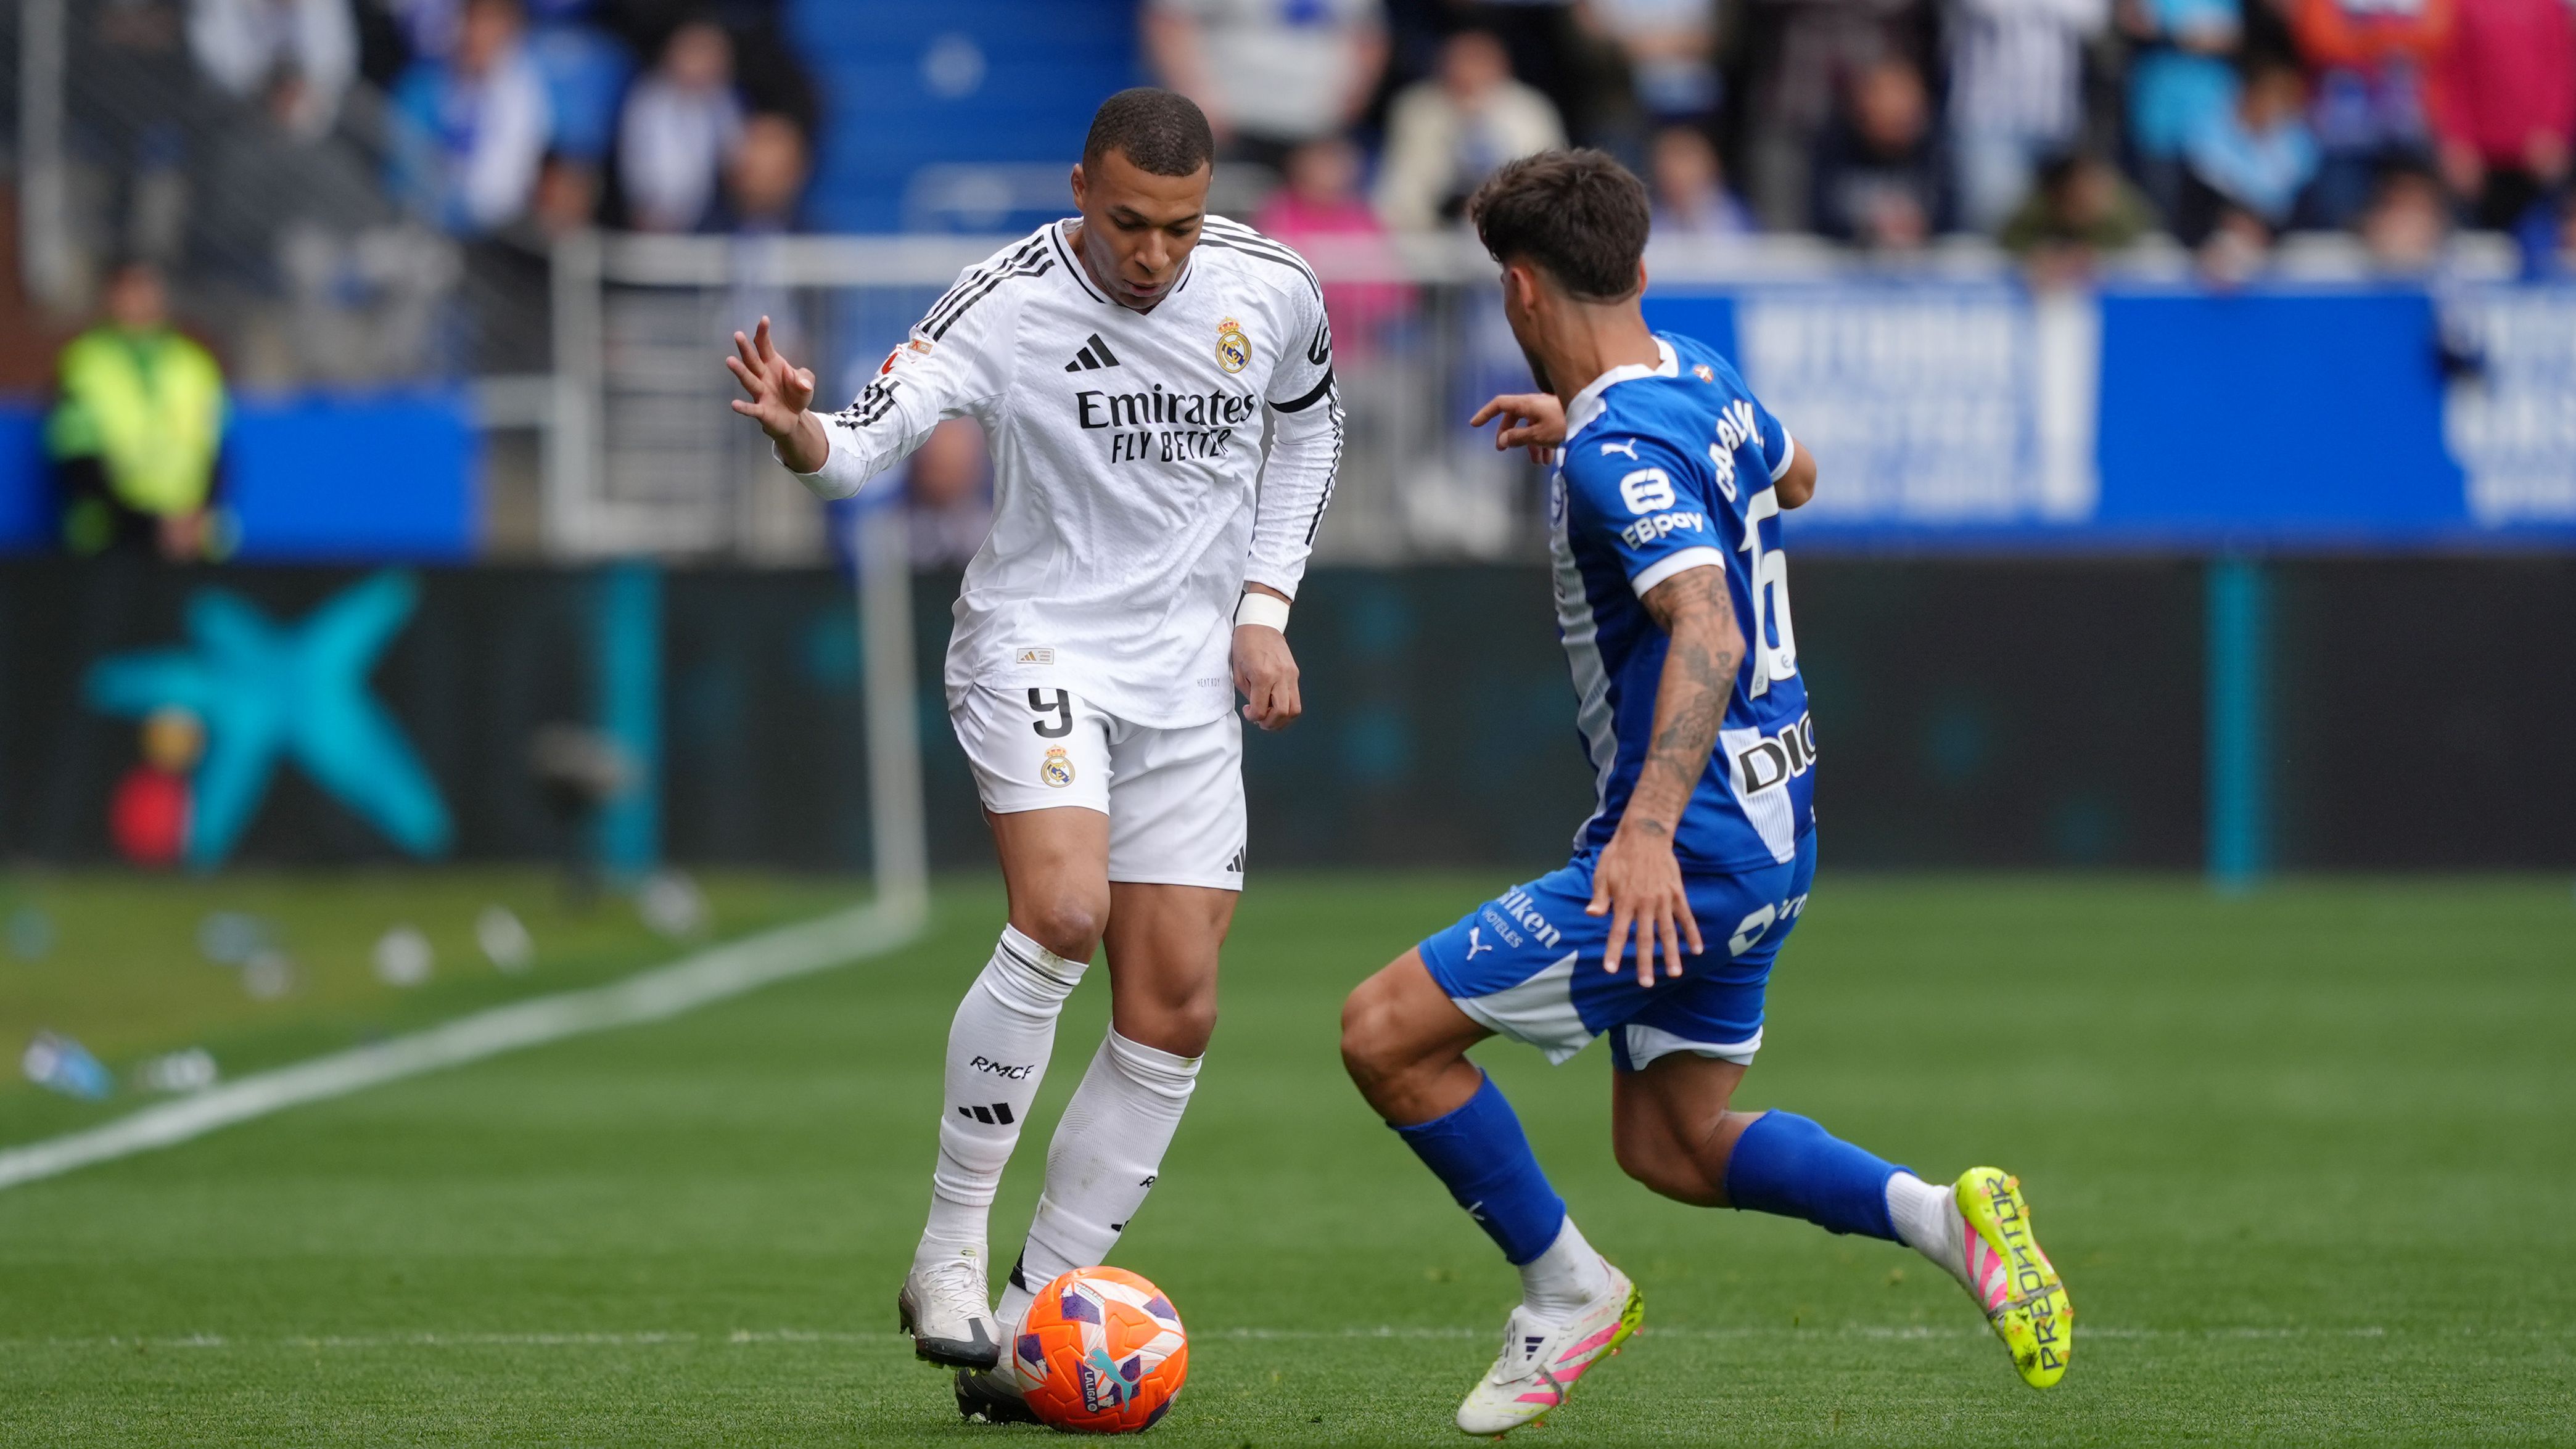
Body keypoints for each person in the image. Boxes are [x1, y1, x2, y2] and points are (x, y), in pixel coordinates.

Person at [1336, 149, 2073, 1437]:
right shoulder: (1699, 381)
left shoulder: (1615, 450)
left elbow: (1709, 629)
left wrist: (1644, 833)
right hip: (1781, 825)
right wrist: (1607, 436)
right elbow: (1795, 477)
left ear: (1518, 293)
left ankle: (1567, 1289)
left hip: (1697, 841)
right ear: (1638, 266)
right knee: (1670, 1142)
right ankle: (1944, 1219)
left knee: (1385, 1030)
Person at [719, 88, 1343, 1424]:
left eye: (1177, 226)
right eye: (1127, 221)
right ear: (1079, 188)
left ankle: (1026, 1329)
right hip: (1038, 642)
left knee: (1175, 1005)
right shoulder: (1000, 297)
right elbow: (874, 439)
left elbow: (1308, 429)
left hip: (1188, 681)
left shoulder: (1274, 286)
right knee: (1064, 911)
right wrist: (803, 436)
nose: (1154, 254)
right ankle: (945, 1250)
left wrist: (1265, 611)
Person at [47, 260, 231, 560]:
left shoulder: (195, 364)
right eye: (127, 290)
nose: (137, 300)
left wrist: (192, 519)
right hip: (114, 534)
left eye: (144, 289)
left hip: (189, 538)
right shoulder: (85, 363)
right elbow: (77, 461)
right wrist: (147, 524)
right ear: (109, 297)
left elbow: (218, 453)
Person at [1145, 0, 1388, 171]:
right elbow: (1170, 21)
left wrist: (1344, 114)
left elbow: (1369, 36)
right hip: (1233, 123)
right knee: (1226, 225)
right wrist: (1198, 104)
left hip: (1315, 125)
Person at [1376, 28, 1570, 231]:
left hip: (1515, 226)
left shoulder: (1530, 109)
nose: (1468, 71)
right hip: (1431, 230)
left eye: (1479, 62)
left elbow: (1549, 183)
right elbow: (1404, 186)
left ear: (1501, 66)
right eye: (1460, 61)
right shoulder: (1416, 108)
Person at [1943, 0, 2111, 231]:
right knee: (1997, 231)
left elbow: (2091, 18)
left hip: (2060, 124)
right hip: (1989, 123)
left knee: (2068, 236)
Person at [390, 0, 551, 234]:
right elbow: (401, 164)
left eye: (489, 26)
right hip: (414, 219)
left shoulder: (527, 97)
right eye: (471, 22)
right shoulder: (422, 83)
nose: (476, 35)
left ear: (510, 33)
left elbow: (504, 187)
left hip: (492, 236)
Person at [2426, 0, 2575, 231]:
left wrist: (2553, 129)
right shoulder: (2460, 7)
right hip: (2482, 160)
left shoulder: (2548, 7)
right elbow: (2452, 74)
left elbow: (2561, 67)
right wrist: (2458, 141)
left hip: (2537, 154)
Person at [1809, 55, 1955, 247]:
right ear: (1863, 104)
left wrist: (1920, 228)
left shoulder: (1936, 155)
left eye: (1905, 100)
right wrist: (1868, 229)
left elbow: (1953, 223)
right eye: (1886, 100)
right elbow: (1818, 219)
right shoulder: (1834, 149)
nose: (1897, 112)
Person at [615, 16, 743, 232]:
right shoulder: (648, 99)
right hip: (648, 213)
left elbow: (735, 161)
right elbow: (635, 159)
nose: (699, 63)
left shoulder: (727, 104)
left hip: (712, 217)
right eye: (693, 52)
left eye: (708, 54)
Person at [1646, 123, 1756, 236]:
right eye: (1667, 162)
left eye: (1685, 159)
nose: (1675, 172)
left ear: (1710, 165)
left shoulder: (1735, 217)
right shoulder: (1648, 220)